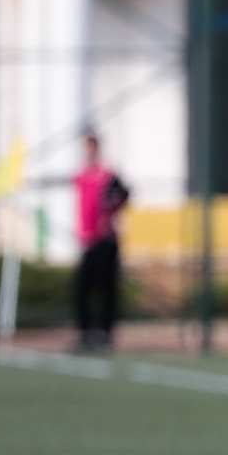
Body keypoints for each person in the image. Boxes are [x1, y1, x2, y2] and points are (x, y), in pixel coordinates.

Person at [72, 132, 128, 350]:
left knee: (106, 287)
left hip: (105, 239)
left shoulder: (107, 175)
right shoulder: (81, 175)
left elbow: (123, 195)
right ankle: (85, 332)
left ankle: (105, 332)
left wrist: (108, 215)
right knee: (82, 287)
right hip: (88, 239)